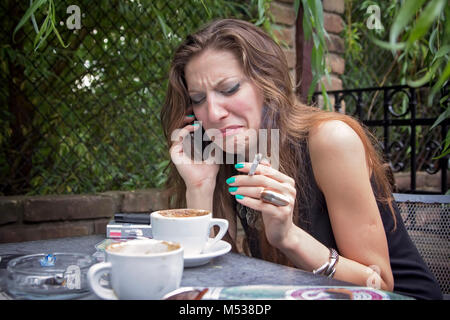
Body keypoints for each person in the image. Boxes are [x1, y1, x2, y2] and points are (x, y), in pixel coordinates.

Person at [160, 18, 442, 300]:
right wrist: (200, 188)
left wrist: (289, 237)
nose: (213, 113)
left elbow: (378, 283)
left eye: (230, 88)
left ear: (268, 83)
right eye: (198, 99)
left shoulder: (330, 140)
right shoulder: (228, 154)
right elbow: (218, 278)